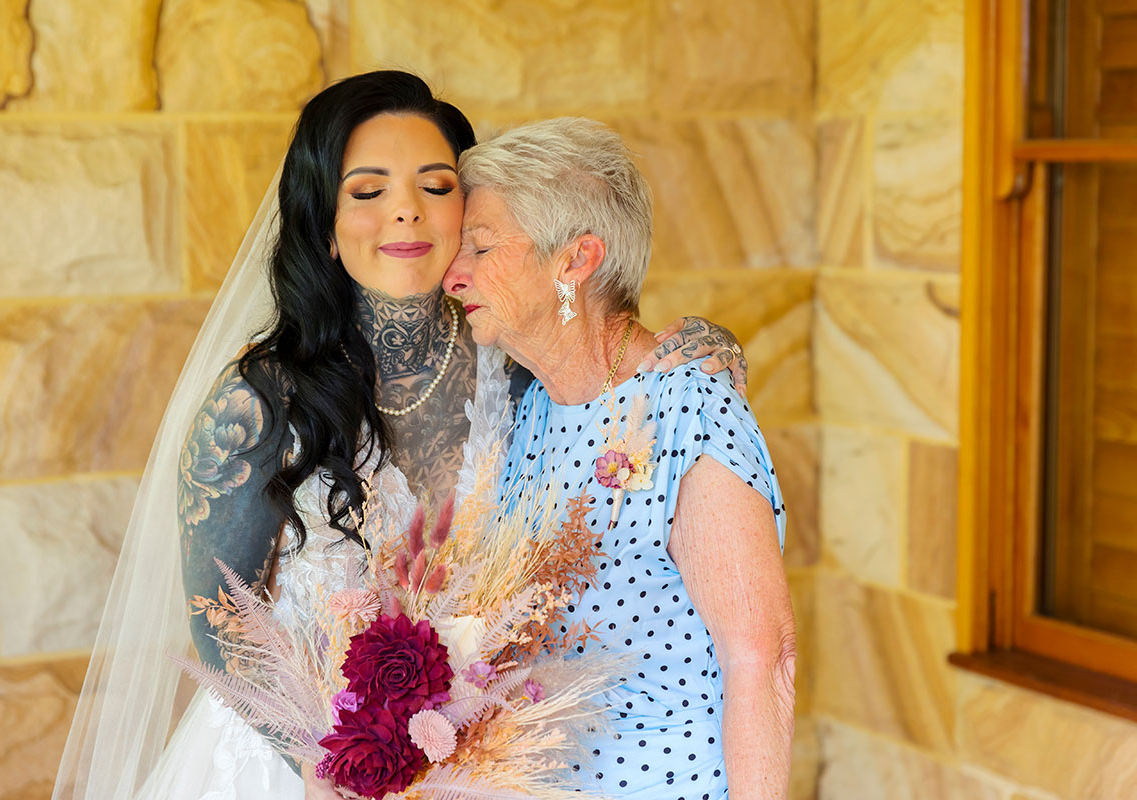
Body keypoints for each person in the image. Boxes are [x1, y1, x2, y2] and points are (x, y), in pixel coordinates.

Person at [53, 71, 747, 800]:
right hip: (290, 769)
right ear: (323, 223)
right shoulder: (256, 410)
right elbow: (218, 628)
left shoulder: (517, 372)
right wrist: (346, 775)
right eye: (368, 191)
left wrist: (706, 346)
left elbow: (613, 366)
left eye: (435, 186)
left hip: (476, 768)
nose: (407, 213)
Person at [442, 117, 795, 799]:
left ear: (576, 261)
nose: (454, 276)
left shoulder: (691, 409)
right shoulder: (529, 407)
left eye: (480, 248)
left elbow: (764, 660)